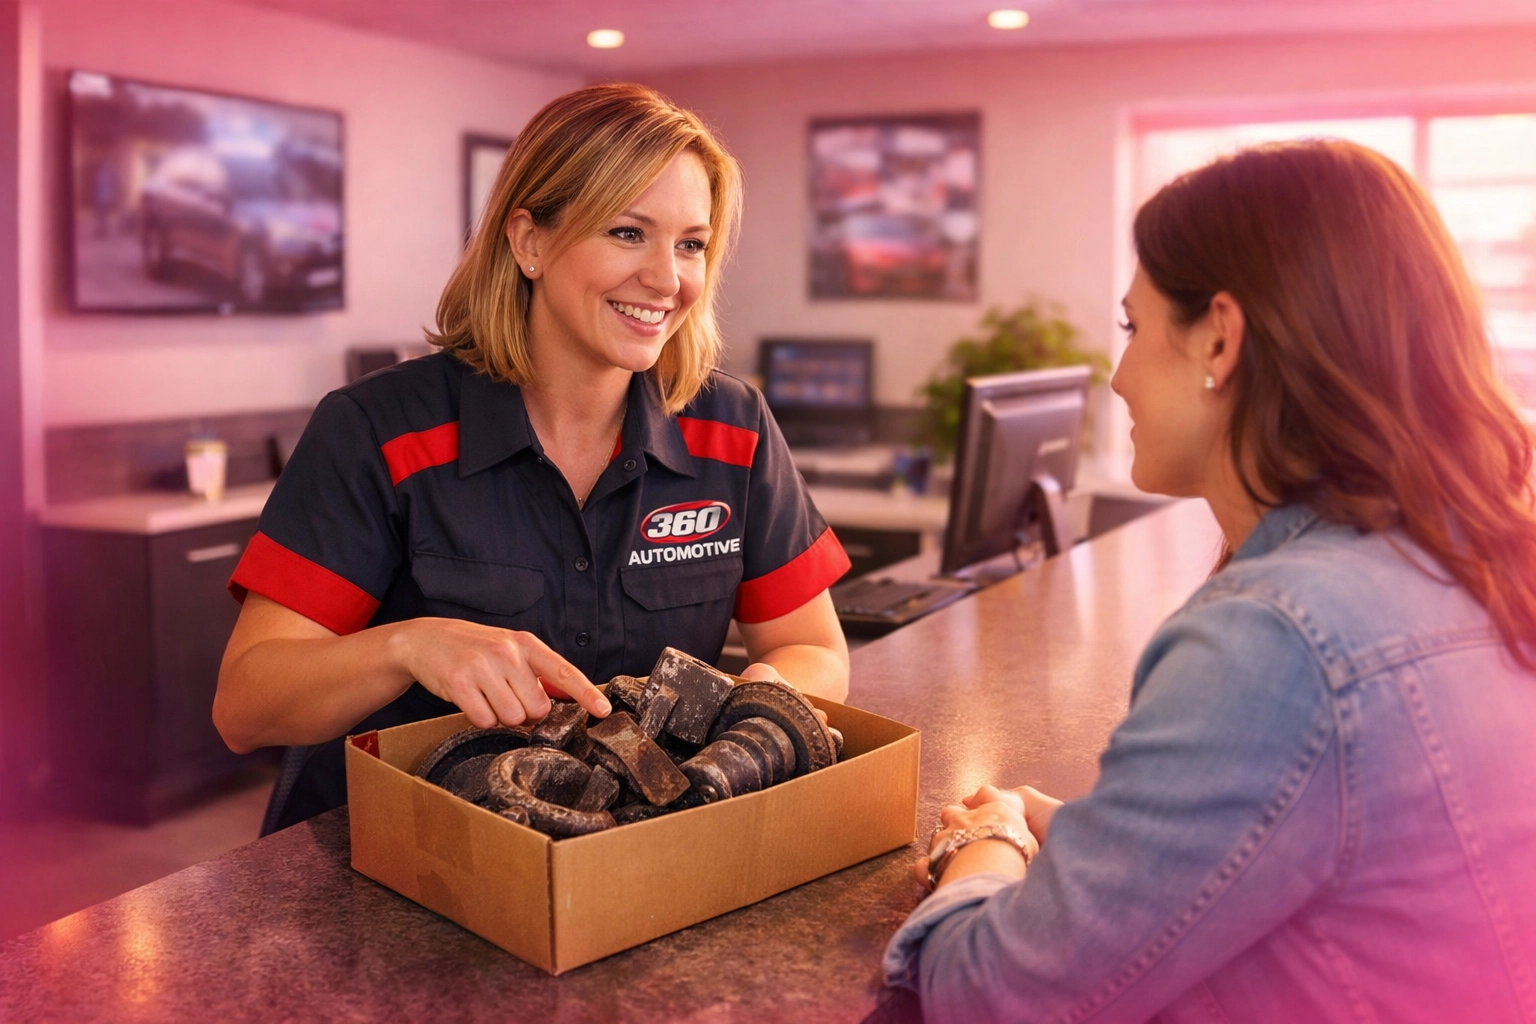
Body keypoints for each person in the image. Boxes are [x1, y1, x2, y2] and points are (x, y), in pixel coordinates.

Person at [884, 140, 1536, 1022]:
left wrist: (987, 841)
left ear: (1220, 338)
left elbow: (986, 994)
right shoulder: (1468, 557)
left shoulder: (1275, 638)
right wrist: (1083, 835)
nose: (1117, 377)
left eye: (1132, 327)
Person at [214, 83, 851, 832]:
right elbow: (245, 707)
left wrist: (757, 701)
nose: (668, 278)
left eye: (691, 244)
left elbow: (813, 647)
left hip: (628, 861)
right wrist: (411, 645)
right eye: (626, 232)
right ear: (530, 242)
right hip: (399, 861)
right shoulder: (375, 431)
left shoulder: (731, 427)